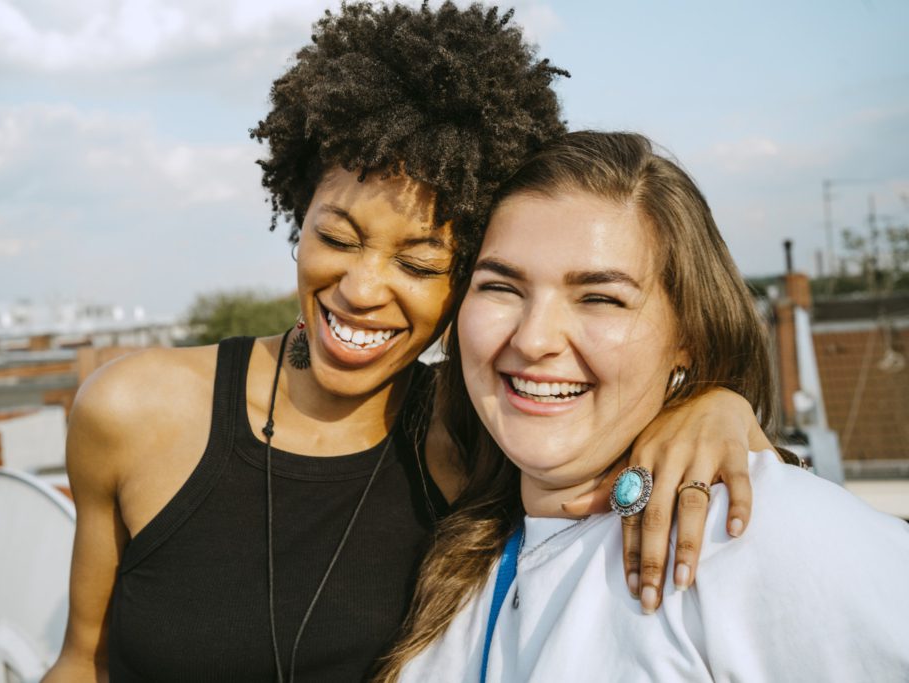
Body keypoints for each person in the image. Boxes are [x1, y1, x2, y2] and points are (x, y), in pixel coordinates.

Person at [44, 6, 774, 682]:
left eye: (420, 264)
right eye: (335, 237)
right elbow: (82, 662)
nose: (361, 288)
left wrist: (714, 404)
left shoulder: (483, 438)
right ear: (298, 213)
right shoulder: (132, 410)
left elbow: (618, 403)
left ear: (469, 281)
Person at [381, 131, 909, 682]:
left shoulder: (752, 531)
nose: (534, 340)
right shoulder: (453, 542)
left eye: (601, 298)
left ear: (688, 337)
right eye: (501, 287)